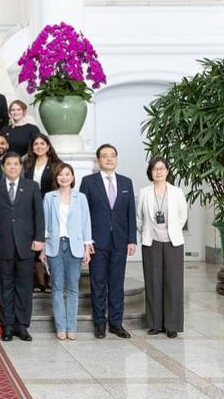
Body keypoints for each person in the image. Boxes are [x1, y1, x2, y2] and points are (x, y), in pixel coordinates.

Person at [79, 143, 137, 339]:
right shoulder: (88, 182)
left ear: (117, 159)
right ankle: (99, 324)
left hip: (120, 241)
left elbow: (131, 213)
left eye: (112, 155)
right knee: (98, 283)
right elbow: (83, 214)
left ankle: (116, 323)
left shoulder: (126, 183)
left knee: (117, 284)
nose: (109, 159)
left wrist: (132, 239)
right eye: (105, 156)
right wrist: (85, 241)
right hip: (97, 241)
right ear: (98, 160)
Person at [0, 152, 45, 341]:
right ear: (3, 167)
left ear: (21, 167)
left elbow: (39, 215)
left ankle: (22, 325)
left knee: (24, 286)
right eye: (8, 164)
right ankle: (7, 325)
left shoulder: (32, 187)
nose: (12, 167)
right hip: (2, 244)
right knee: (4, 286)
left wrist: (39, 238)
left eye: (15, 164)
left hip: (26, 245)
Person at [137, 156, 187, 338]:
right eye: (155, 169)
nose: (158, 172)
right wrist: (145, 233)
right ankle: (155, 323)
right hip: (151, 242)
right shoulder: (144, 192)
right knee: (153, 282)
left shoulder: (177, 192)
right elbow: (139, 218)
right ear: (150, 172)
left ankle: (172, 325)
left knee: (173, 283)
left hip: (173, 242)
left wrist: (171, 230)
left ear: (167, 171)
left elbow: (182, 216)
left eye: (162, 168)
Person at [42, 162, 93, 340]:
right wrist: (42, 249)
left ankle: (72, 326)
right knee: (56, 288)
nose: (64, 177)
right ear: (56, 178)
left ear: (72, 177)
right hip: (55, 246)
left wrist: (87, 248)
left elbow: (86, 223)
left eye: (67, 174)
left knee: (73, 288)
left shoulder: (81, 197)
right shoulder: (49, 197)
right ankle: (60, 327)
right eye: (60, 175)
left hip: (75, 246)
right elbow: (45, 224)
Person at [24, 133, 61, 291]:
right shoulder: (27, 163)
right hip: (30, 207)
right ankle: (40, 281)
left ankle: (52, 277)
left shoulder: (56, 164)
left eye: (42, 144)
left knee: (50, 242)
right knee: (36, 241)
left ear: (48, 146)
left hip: (51, 205)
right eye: (36, 144)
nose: (39, 147)